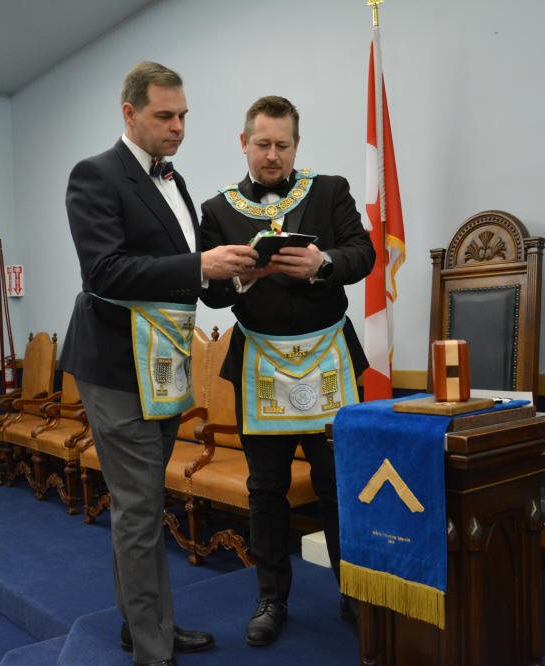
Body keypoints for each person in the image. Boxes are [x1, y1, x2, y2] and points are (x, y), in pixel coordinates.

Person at [60, 61, 258, 666]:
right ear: (130, 113)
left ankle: (145, 626)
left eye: (183, 116)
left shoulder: (175, 180)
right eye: (164, 116)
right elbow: (104, 272)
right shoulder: (95, 175)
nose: (177, 128)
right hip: (116, 364)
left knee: (142, 503)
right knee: (140, 506)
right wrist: (201, 264)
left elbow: (188, 282)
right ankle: (152, 647)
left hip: (164, 364)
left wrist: (239, 274)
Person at [200, 95, 376, 646]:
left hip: (328, 359)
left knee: (338, 487)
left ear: (296, 145)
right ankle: (271, 598)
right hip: (260, 363)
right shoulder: (217, 209)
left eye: (282, 144)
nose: (272, 154)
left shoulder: (331, 190)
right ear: (244, 143)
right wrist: (241, 278)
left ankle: (355, 593)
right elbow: (209, 293)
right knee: (266, 491)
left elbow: (364, 253)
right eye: (262, 144)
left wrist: (324, 263)